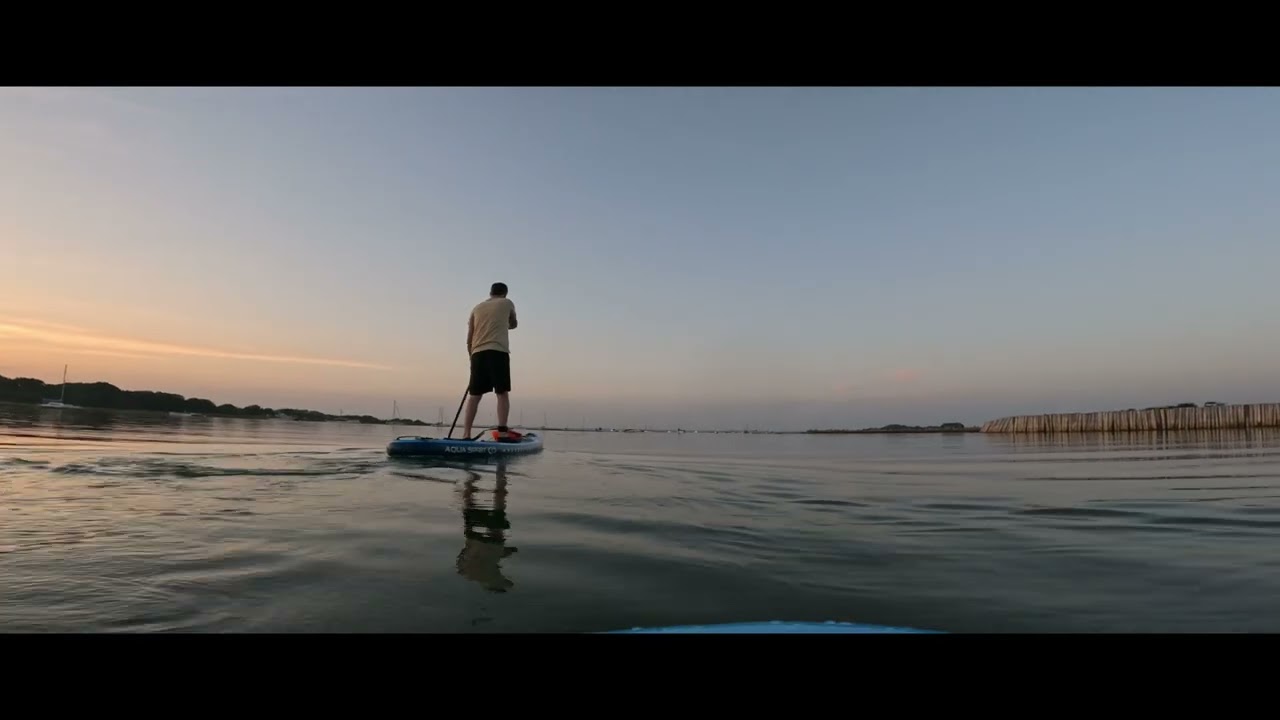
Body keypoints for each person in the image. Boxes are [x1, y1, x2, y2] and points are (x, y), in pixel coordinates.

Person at [462, 282, 522, 441]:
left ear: (490, 293)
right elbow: (514, 323)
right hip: (497, 351)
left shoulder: (476, 308)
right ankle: (502, 432)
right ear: (505, 294)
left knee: (474, 395)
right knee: (502, 392)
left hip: (477, 353)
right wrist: (504, 323)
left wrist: (471, 357)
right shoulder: (507, 303)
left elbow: (469, 337)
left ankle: (466, 434)